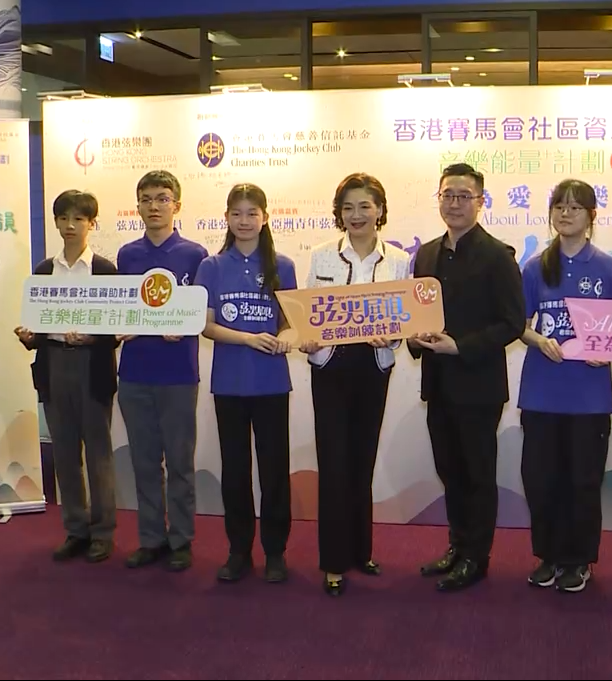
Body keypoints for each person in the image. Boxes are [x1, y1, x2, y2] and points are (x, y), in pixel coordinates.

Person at [409, 162, 526, 592]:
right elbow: (416, 314)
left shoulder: (498, 256)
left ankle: (477, 556)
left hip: (478, 385)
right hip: (438, 383)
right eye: (448, 195)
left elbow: (512, 322)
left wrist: (460, 346)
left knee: (477, 474)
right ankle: (457, 546)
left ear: (481, 201)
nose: (454, 204)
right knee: (449, 469)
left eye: (464, 196)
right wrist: (415, 338)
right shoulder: (426, 255)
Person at [300, 173, 411, 597]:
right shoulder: (321, 256)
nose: (357, 215)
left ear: (380, 210)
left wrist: (393, 336)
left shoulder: (398, 260)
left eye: (365, 206)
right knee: (334, 464)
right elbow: (308, 314)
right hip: (330, 365)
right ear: (338, 213)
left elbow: (404, 318)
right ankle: (333, 562)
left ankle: (360, 550)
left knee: (362, 461)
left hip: (374, 366)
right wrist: (308, 335)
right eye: (348, 207)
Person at [518, 180, 612, 593]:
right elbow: (518, 325)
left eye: (575, 207)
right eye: (559, 207)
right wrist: (537, 340)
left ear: (591, 216)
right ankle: (547, 555)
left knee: (583, 481)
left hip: (589, 397)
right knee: (541, 479)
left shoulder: (608, 268)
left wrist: (607, 350)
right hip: (541, 393)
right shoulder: (534, 268)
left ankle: (579, 560)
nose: (566, 214)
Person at [196, 182, 298, 584]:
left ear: (265, 217)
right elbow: (206, 326)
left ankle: (275, 552)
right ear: (226, 218)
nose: (244, 221)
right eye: (236, 213)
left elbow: (291, 324)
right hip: (229, 384)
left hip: (272, 383)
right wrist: (248, 338)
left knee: (274, 471)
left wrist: (286, 339)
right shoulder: (211, 266)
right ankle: (238, 550)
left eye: (252, 213)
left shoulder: (283, 266)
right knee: (235, 471)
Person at [14, 190, 120, 564]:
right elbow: (39, 327)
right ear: (56, 222)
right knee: (64, 452)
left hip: (92, 365)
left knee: (99, 453)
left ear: (92, 224)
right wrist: (29, 336)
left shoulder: (105, 270)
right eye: (63, 218)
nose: (70, 225)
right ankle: (76, 529)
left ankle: (103, 532)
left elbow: (116, 327)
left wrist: (93, 337)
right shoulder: (44, 271)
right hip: (54, 364)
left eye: (78, 219)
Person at [115, 170, 209, 572]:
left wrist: (184, 326)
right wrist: (120, 327)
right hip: (135, 372)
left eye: (162, 198)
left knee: (180, 463)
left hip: (178, 374)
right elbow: (122, 307)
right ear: (137, 206)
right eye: (146, 199)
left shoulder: (195, 254)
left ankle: (182, 539)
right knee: (144, 462)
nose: (154, 206)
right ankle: (151, 538)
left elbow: (201, 312)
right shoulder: (127, 255)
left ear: (177, 205)